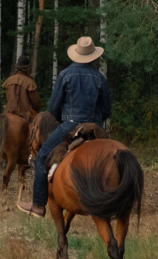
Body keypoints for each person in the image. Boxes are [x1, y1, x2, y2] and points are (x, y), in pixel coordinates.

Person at [17, 36, 112, 218]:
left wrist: (63, 120)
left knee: (42, 156)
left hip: (70, 124)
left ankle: (38, 205)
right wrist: (96, 122)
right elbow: (106, 110)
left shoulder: (65, 75)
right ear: (93, 57)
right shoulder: (100, 78)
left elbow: (53, 107)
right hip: (94, 127)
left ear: (76, 54)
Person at [1, 55, 41, 125]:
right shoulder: (29, 82)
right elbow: (36, 101)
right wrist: (38, 110)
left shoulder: (9, 80)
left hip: (9, 111)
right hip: (25, 114)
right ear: (27, 68)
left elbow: (8, 97)